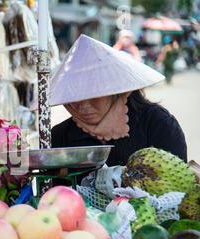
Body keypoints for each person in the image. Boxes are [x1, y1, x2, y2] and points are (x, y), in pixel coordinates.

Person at [49, 35, 187, 186]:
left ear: (117, 92)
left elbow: (179, 187)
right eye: (74, 97)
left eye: (94, 96)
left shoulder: (159, 125)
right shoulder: (59, 137)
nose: (83, 106)